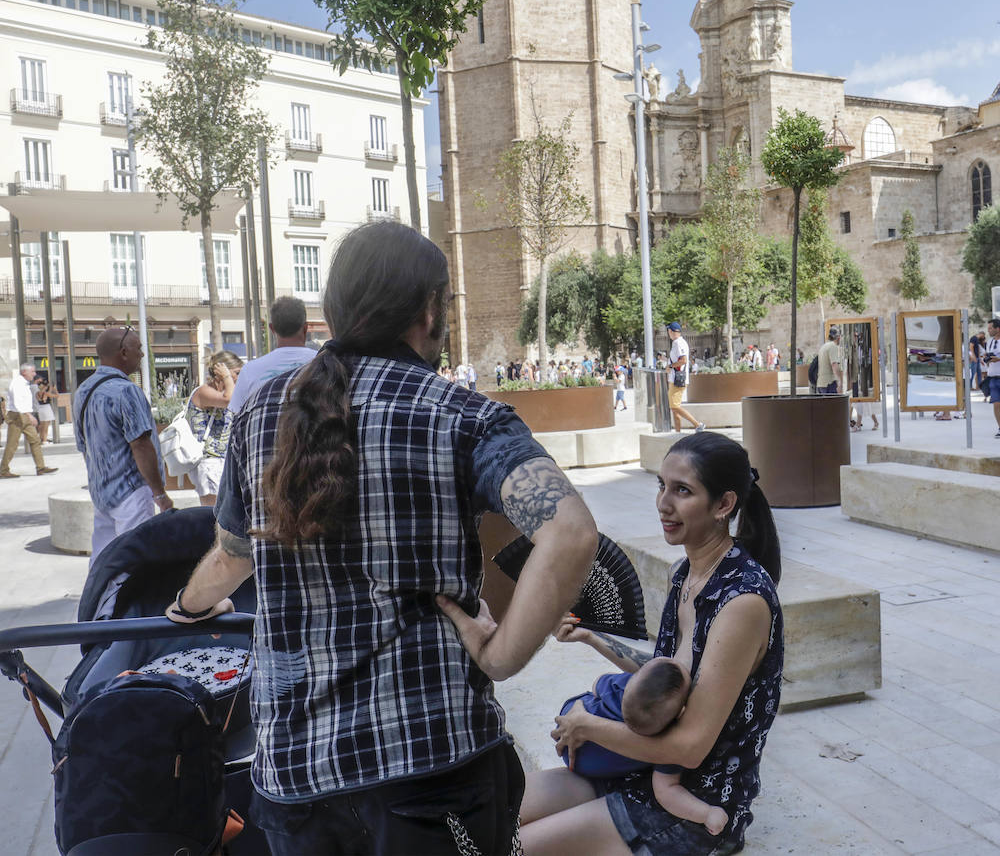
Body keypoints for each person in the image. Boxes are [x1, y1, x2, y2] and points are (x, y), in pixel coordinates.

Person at [166, 222, 599, 855]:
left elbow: (234, 556)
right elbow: (571, 530)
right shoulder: (462, 415)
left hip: (299, 774)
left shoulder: (260, 418)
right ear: (428, 309)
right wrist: (502, 654)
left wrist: (189, 606)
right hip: (434, 762)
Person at [461, 431, 783, 854]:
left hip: (693, 805)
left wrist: (589, 725)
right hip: (638, 768)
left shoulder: (742, 602)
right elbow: (671, 675)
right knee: (483, 823)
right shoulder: (685, 574)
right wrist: (595, 639)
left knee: (514, 849)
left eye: (682, 491)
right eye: (661, 485)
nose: (663, 504)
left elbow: (689, 749)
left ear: (724, 505)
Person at [555, 656, 729, 835]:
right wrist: (707, 814)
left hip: (569, 725)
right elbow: (667, 792)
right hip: (592, 768)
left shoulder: (620, 686)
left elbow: (597, 683)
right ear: (681, 712)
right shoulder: (667, 743)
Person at [73, 328, 173, 556]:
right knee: (136, 560)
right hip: (132, 494)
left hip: (101, 493)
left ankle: (102, 593)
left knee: (104, 561)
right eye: (139, 349)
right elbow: (141, 445)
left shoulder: (83, 391)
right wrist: (159, 493)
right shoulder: (126, 391)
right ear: (124, 352)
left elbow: (83, 445)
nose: (142, 355)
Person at [229, 297, 316, 414]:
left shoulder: (249, 370)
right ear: (305, 328)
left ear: (272, 328)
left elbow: (236, 414)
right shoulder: (324, 362)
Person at [186, 351, 242, 507]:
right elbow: (228, 399)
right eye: (236, 373)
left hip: (222, 460)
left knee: (225, 512)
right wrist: (227, 377)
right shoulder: (203, 391)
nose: (238, 377)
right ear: (220, 372)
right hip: (209, 461)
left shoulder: (221, 392)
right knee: (214, 513)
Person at [2, 363, 56, 478]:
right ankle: (3, 470)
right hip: (18, 416)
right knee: (12, 444)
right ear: (24, 372)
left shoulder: (24, 383)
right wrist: (29, 416)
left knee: (35, 440)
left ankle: (41, 468)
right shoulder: (18, 383)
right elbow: (17, 403)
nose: (35, 374)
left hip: (23, 415)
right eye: (32, 371)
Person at [666, 322, 704, 433]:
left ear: (671, 331)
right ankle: (678, 433)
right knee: (674, 409)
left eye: (669, 331)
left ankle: (697, 424)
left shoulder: (678, 343)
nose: (668, 333)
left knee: (674, 406)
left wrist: (670, 366)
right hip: (675, 378)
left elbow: (683, 360)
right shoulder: (677, 343)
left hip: (677, 379)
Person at [816, 325, 843, 394]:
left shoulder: (823, 347)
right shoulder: (832, 346)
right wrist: (840, 382)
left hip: (821, 383)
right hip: (829, 383)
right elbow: (834, 364)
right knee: (833, 404)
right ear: (838, 337)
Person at [34, 374, 56, 444]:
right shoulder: (46, 393)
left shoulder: (37, 393)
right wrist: (54, 389)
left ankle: (42, 438)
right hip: (46, 408)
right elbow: (57, 396)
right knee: (46, 426)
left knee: (42, 425)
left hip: (40, 408)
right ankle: (44, 440)